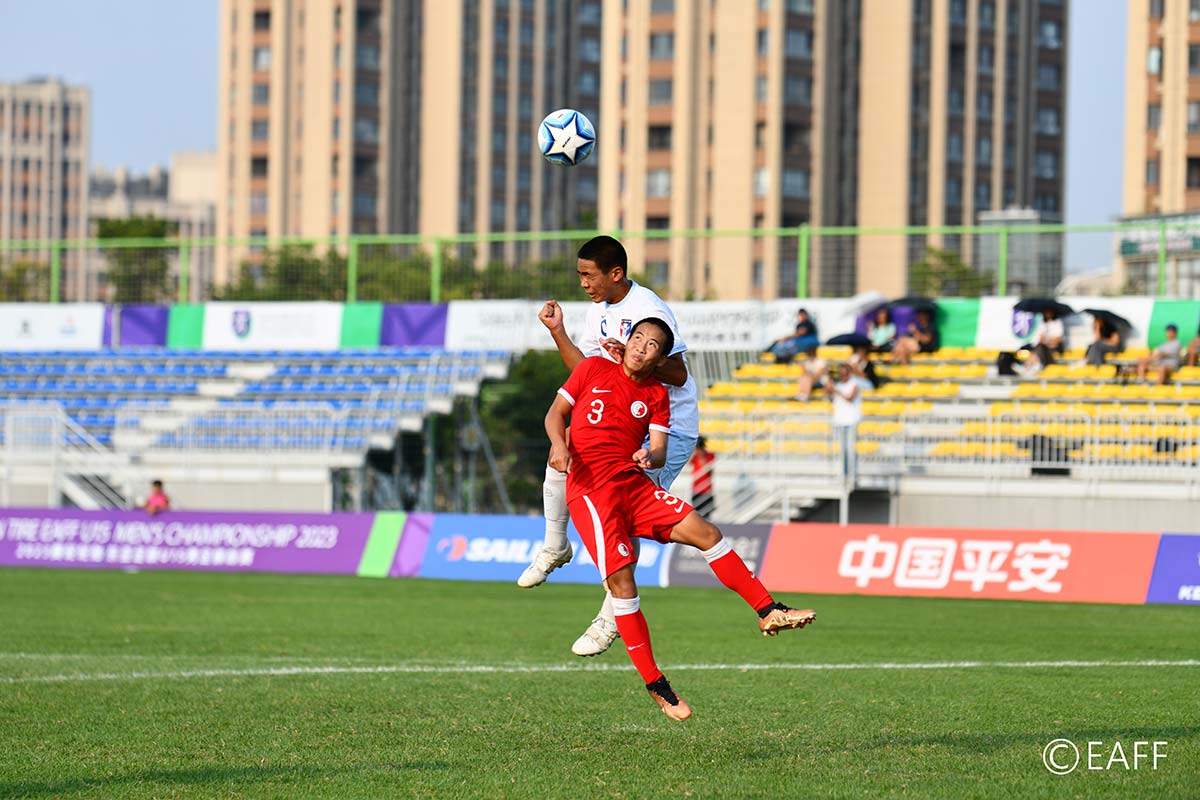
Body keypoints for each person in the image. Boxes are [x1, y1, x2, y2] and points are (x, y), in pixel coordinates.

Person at [544, 317, 815, 720]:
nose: (641, 347)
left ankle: (767, 610)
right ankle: (656, 684)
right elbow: (555, 414)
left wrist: (649, 456)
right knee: (622, 585)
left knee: (707, 533)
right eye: (638, 338)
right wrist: (559, 445)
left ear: (660, 359)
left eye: (652, 345)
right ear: (626, 342)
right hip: (592, 493)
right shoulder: (593, 368)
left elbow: (657, 450)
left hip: (633, 485)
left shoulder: (656, 394)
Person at [520, 235, 701, 659]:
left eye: (589, 275)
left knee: (626, 513)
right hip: (621, 418)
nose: (583, 283)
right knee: (562, 452)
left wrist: (633, 357)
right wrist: (558, 331)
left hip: (664, 426)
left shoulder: (649, 310)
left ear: (615, 273)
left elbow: (678, 374)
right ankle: (555, 545)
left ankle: (610, 619)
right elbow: (587, 371)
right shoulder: (598, 311)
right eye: (580, 275)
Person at [830, 363, 863, 481]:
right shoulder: (838, 385)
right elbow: (829, 396)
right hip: (840, 421)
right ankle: (843, 474)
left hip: (851, 421)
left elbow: (850, 398)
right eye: (840, 374)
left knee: (850, 449)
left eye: (844, 373)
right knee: (842, 450)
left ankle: (851, 475)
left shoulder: (854, 384)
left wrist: (836, 390)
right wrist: (829, 386)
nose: (842, 376)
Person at [689, 436, 715, 519]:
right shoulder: (695, 454)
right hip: (696, 488)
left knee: (707, 514)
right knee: (696, 513)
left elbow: (707, 468)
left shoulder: (709, 455)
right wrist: (694, 452)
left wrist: (701, 455)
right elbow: (688, 462)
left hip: (706, 489)